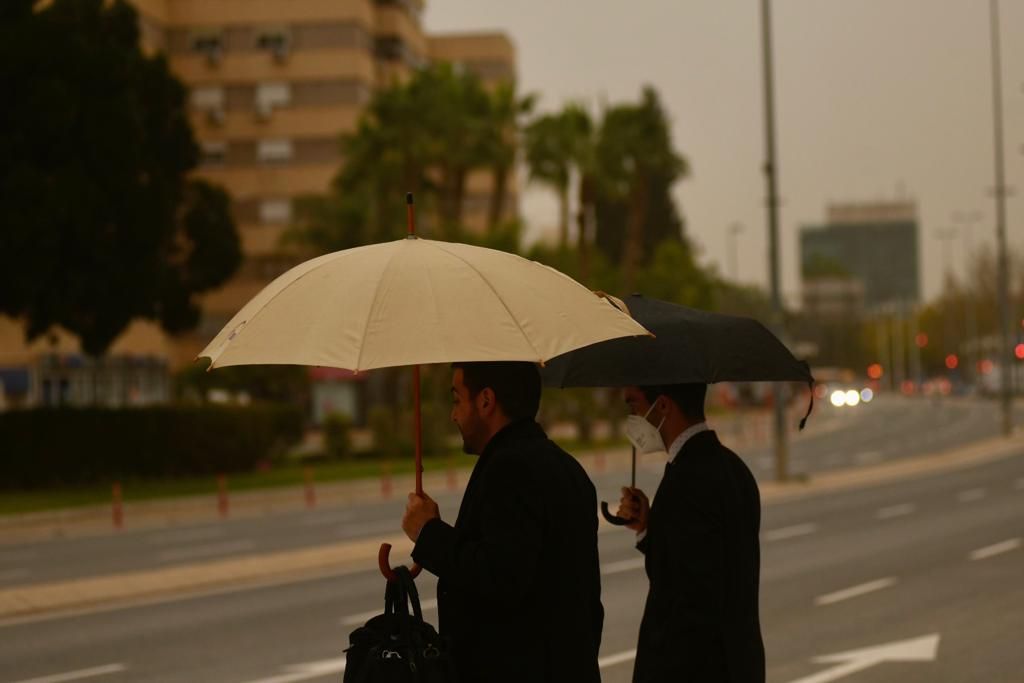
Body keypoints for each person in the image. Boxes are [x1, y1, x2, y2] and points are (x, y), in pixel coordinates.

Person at [402, 361, 603, 682]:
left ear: (485, 400)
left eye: (457, 400)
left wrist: (429, 533)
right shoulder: (567, 467)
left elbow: (499, 576)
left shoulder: (511, 469)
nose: (454, 415)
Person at [617, 383, 765, 682]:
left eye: (633, 405)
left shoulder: (688, 479)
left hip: (696, 668)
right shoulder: (733, 468)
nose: (632, 418)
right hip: (739, 661)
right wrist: (648, 528)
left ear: (662, 406)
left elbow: (688, 595)